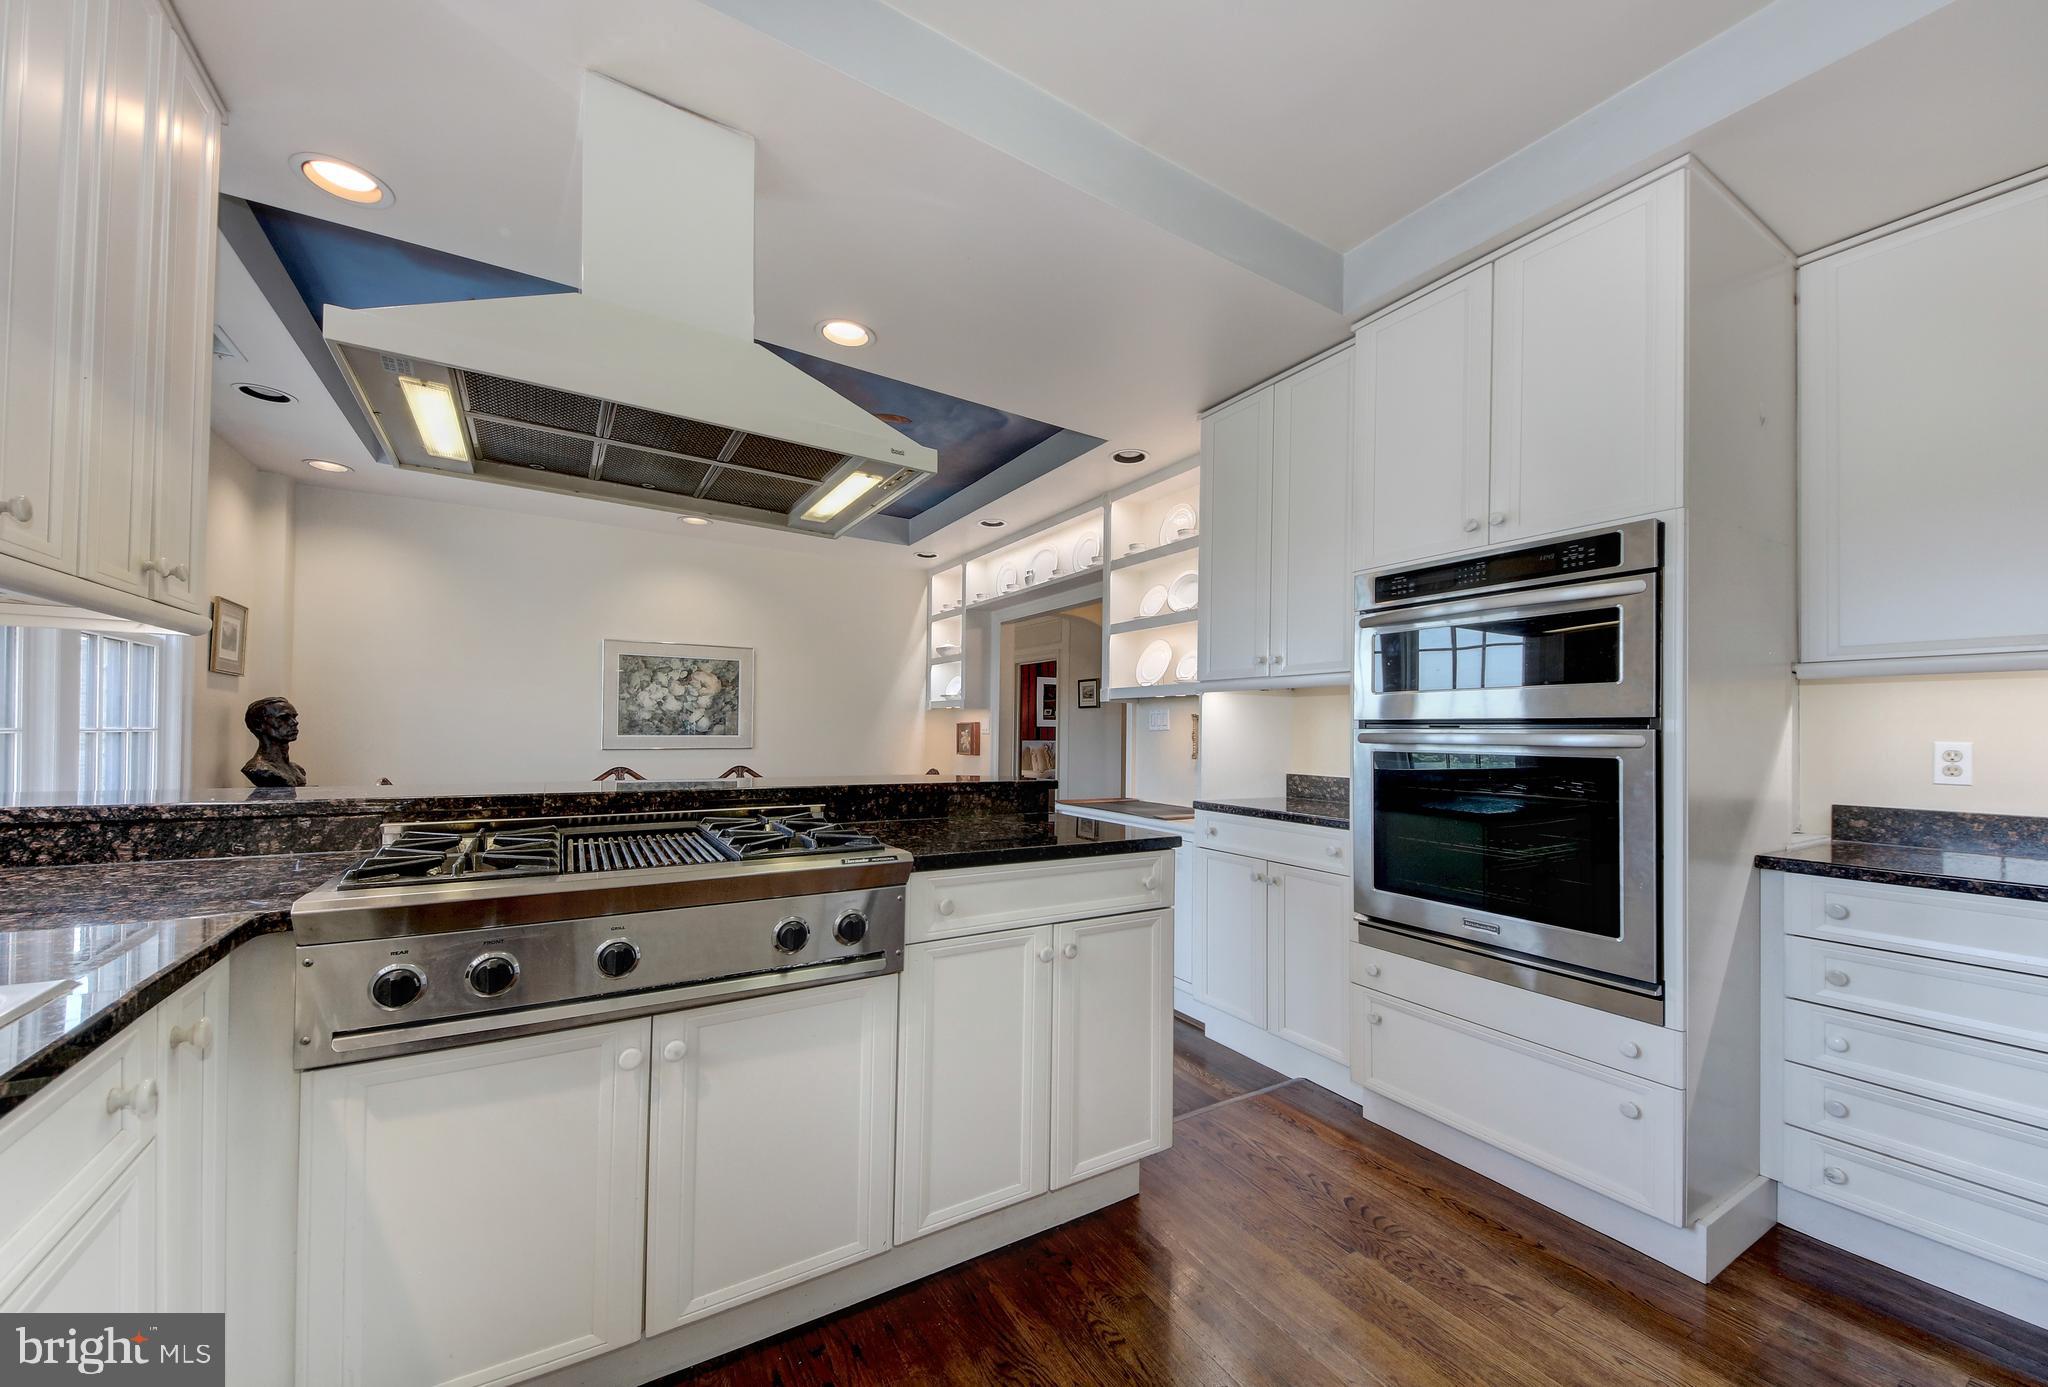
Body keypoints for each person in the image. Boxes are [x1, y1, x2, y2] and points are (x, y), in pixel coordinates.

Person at [242, 696, 307, 787]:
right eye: (284, 718)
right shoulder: (259, 769)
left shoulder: (297, 770)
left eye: (294, 717)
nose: (295, 722)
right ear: (258, 725)